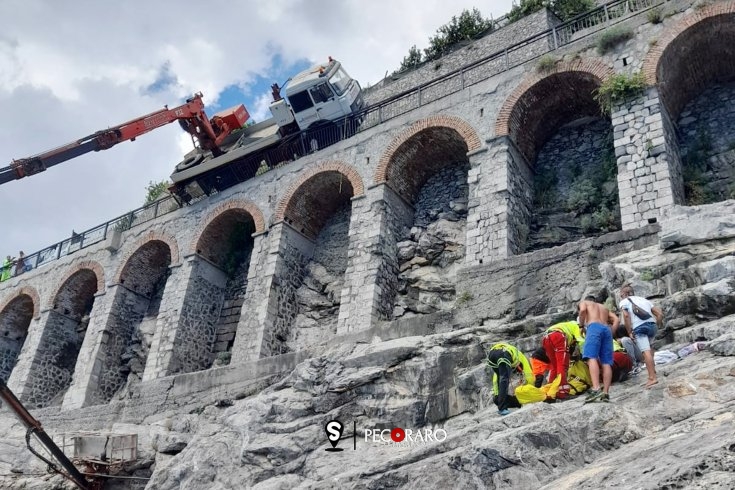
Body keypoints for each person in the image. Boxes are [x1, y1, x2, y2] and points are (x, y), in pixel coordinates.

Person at [619, 285, 664, 389]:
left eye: (621, 295)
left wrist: (629, 331)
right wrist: (657, 324)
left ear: (624, 294)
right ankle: (653, 370)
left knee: (646, 352)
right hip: (652, 326)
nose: (621, 297)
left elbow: (626, 316)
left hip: (640, 328)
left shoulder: (624, 301)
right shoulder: (644, 300)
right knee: (650, 348)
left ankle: (652, 378)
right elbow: (660, 314)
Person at [578, 295, 619, 403]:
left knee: (591, 357)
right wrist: (612, 331)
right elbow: (616, 319)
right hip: (607, 330)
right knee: (606, 362)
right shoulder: (604, 307)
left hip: (594, 327)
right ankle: (605, 392)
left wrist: (581, 326)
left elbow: (582, 311)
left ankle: (596, 388)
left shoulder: (585, 302)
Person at [486, 342, 534, 416]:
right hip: (503, 354)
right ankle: (502, 408)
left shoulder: (512, 353)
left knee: (501, 378)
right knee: (504, 379)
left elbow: (496, 379)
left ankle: (500, 402)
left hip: (492, 355)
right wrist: (532, 389)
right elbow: (529, 374)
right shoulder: (521, 358)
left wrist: (497, 395)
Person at [541, 320, 585, 399]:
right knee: (562, 365)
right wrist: (584, 356)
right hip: (558, 336)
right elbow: (581, 342)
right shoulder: (577, 326)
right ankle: (563, 392)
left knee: (555, 367)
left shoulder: (566, 325)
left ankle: (550, 392)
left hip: (545, 338)